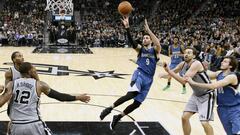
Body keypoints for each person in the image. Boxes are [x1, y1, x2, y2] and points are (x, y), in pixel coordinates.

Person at [99, 16, 161, 130]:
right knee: (131, 95)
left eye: (147, 38)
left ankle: (118, 117)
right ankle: (109, 108)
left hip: (149, 79)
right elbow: (133, 43)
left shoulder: (155, 51)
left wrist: (149, 31)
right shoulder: (141, 50)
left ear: (150, 40)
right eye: (144, 38)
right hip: (139, 75)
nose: (145, 39)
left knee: (137, 104)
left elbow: (158, 44)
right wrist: (127, 28)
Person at [0, 62, 90, 134]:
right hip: (34, 124)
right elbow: (60, 96)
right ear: (30, 71)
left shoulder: (11, 84)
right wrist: (78, 97)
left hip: (16, 126)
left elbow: (1, 103)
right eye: (33, 68)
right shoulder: (40, 85)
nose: (35, 69)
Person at [160, 47, 215, 135]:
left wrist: (169, 71)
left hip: (207, 94)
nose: (186, 54)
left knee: (204, 122)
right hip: (196, 94)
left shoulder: (196, 64)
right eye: (185, 52)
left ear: (193, 56)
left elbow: (183, 81)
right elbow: (170, 74)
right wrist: (164, 73)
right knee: (184, 117)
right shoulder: (182, 64)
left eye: (189, 53)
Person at [187, 56, 240, 135]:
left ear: (230, 66)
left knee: (237, 130)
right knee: (230, 133)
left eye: (225, 61)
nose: (222, 62)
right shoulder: (219, 73)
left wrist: (193, 83)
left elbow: (213, 86)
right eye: (223, 61)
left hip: (235, 108)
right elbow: (208, 75)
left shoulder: (232, 77)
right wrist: (203, 68)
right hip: (222, 108)